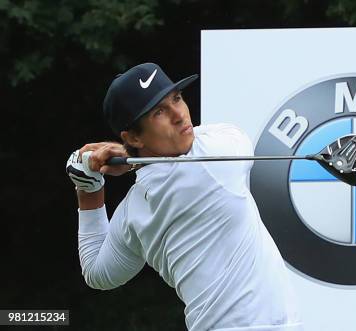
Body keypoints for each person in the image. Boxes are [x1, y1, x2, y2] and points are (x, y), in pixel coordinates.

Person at [65, 63, 302, 331]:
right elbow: (235, 134)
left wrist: (89, 188)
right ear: (133, 137)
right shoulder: (212, 159)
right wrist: (131, 158)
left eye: (176, 98)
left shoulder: (133, 209)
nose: (178, 115)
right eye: (159, 112)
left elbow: (98, 273)